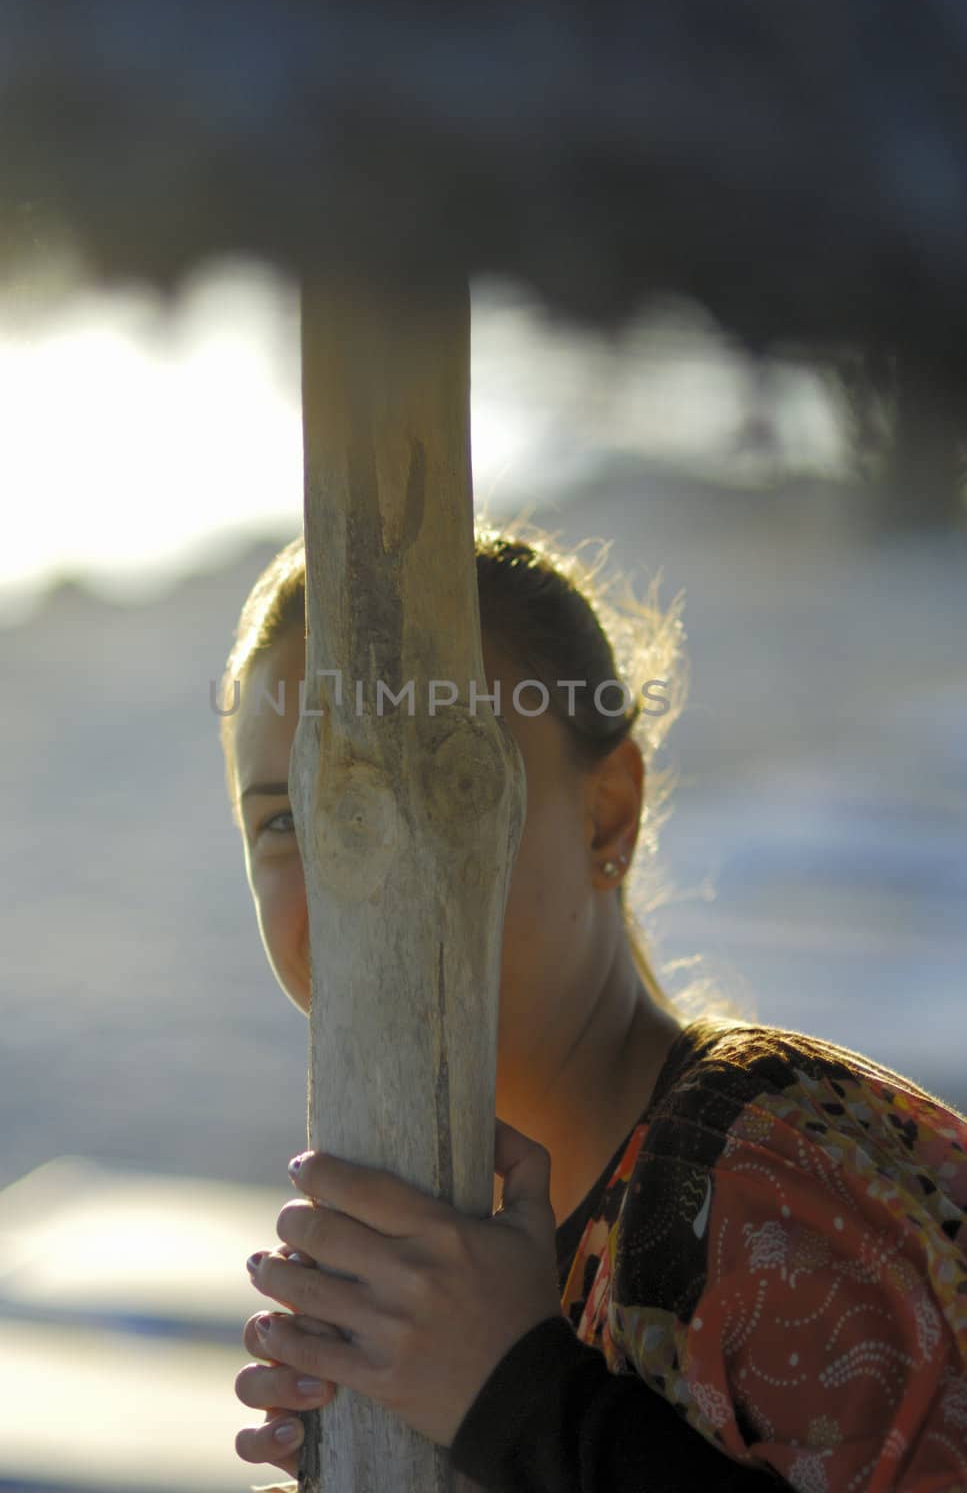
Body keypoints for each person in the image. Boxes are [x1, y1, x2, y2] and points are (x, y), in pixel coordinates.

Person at [218, 522, 967, 1491]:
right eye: (286, 819)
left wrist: (512, 1397)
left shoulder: (781, 1189)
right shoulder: (464, 1243)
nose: (361, 878)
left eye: (446, 789)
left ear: (604, 811)